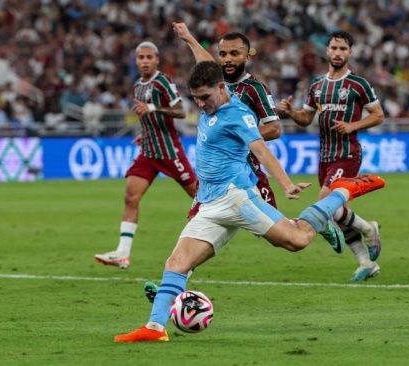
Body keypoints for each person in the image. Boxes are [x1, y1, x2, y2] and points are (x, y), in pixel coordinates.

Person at [113, 60, 385, 343]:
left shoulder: (237, 114)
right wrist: (189, 39)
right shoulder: (212, 101)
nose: (201, 104)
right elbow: (206, 64)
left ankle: (342, 192)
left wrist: (287, 184)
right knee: (177, 262)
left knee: (298, 240)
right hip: (209, 204)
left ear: (221, 88)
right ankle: (155, 328)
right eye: (196, 98)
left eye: (205, 97)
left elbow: (262, 151)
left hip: (237, 198)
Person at [142, 22, 284, 301]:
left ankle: (317, 222)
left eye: (234, 54)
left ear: (247, 56)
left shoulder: (254, 89)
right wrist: (188, 37)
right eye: (223, 54)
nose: (228, 59)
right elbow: (203, 61)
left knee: (280, 236)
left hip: (248, 173)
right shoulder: (214, 82)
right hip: (216, 179)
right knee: (196, 225)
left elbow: (275, 128)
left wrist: (239, 136)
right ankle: (172, 286)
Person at [278, 30, 385, 281]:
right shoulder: (316, 86)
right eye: (334, 48)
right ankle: (365, 262)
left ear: (350, 52)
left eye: (342, 49)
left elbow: (378, 115)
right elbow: (306, 119)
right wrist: (291, 112)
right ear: (327, 51)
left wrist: (353, 126)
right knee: (337, 211)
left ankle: (369, 229)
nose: (337, 53)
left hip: (347, 153)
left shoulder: (358, 84)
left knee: (325, 205)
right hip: (325, 157)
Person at [94, 41, 198, 269]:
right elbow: (147, 116)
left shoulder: (163, 81)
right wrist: (146, 131)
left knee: (200, 195)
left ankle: (232, 215)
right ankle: (122, 253)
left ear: (157, 59)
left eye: (149, 57)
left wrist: (152, 109)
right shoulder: (138, 86)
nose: (145, 61)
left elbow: (181, 111)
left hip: (169, 151)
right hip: (149, 152)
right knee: (130, 197)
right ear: (136, 60)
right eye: (141, 57)